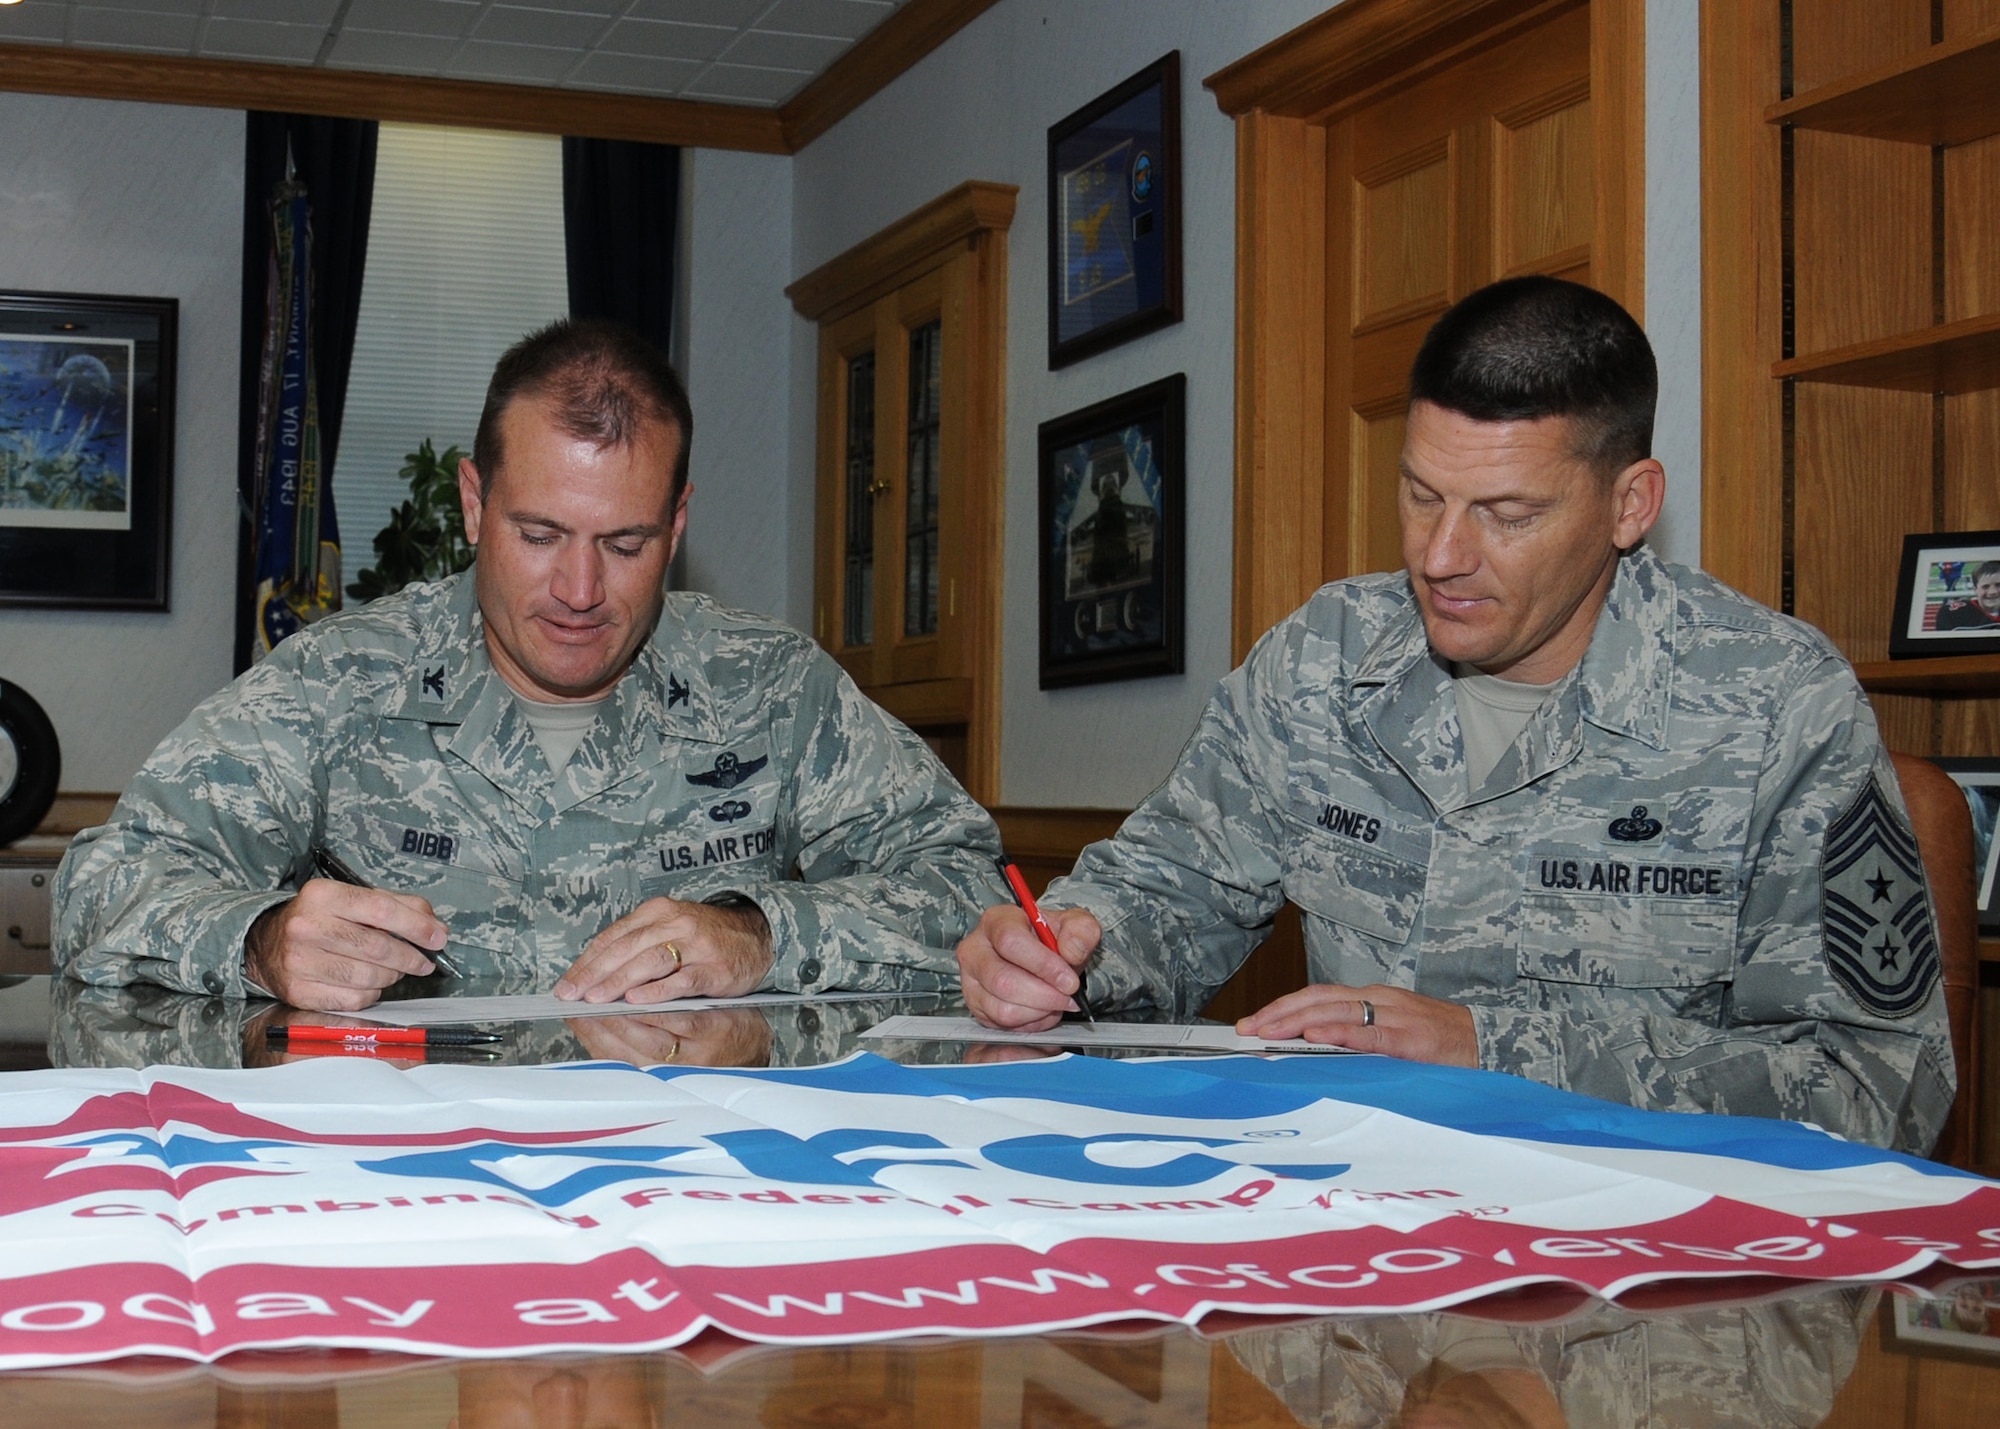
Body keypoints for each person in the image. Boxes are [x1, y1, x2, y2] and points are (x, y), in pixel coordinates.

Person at [958, 276, 1955, 1153]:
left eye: (1507, 514)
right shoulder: (1328, 661)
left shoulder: (1775, 705)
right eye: (1419, 495)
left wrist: (1492, 1051)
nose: (1440, 555)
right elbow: (1170, 891)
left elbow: (1873, 1086)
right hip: (1347, 1257)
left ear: (1628, 505)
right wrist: (1068, 948)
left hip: (1630, 1301)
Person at [56, 319, 1006, 1012]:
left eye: (627, 542)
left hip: (693, 1170)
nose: (581, 589)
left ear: (677, 524)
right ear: (474, 504)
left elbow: (972, 888)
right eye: (541, 534)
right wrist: (260, 940)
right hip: (415, 1171)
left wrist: (766, 935)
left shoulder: (771, 688)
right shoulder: (342, 682)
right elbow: (99, 886)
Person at [1934, 560, 2000, 630]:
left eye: (1998, 585)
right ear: (1975, 589)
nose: (1992, 592)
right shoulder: (1954, 614)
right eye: (1985, 587)